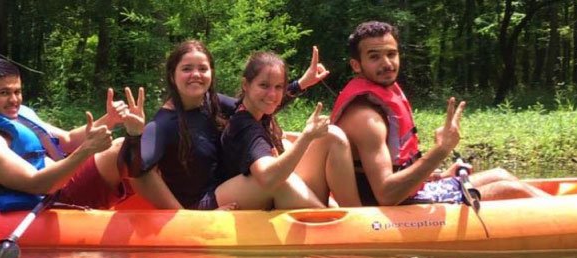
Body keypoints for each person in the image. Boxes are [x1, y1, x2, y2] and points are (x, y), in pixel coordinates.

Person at [331, 21, 548, 206]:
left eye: (391, 54)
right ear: (356, 65)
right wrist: (441, 150)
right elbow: (386, 195)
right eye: (374, 57)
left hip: (409, 193)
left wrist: (439, 175)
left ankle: (575, 213)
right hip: (390, 211)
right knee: (510, 190)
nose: (387, 63)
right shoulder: (366, 119)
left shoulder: (379, 102)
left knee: (501, 174)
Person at [121, 40, 329, 210]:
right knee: (280, 181)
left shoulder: (212, 102)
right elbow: (135, 171)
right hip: (201, 206)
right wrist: (133, 134)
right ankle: (329, 223)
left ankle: (331, 215)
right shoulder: (162, 125)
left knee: (297, 147)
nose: (196, 74)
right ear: (172, 76)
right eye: (186, 69)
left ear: (211, 73)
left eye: (202, 68)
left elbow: (256, 103)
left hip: (225, 187)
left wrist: (300, 84)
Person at [0, 58, 144, 211]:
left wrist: (110, 119)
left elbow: (68, 141)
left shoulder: (17, 115)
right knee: (121, 148)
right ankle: (172, 215)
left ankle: (159, 207)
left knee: (143, 148)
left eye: (17, 91)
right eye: (4, 93)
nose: (14, 100)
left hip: (60, 183)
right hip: (49, 197)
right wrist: (86, 150)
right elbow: (37, 184)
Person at [219, 51, 361, 208]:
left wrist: (303, 82)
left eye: (278, 86)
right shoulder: (244, 124)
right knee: (284, 180)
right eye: (264, 85)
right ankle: (332, 221)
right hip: (241, 195)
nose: (272, 94)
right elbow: (269, 178)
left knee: (332, 135)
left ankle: (355, 213)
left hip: (264, 189)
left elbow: (277, 99)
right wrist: (307, 136)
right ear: (246, 85)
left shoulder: (261, 112)